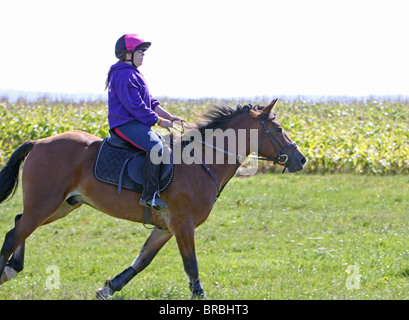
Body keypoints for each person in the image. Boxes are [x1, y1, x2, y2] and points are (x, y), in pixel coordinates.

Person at [105, 34, 180, 210]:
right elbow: (135, 106)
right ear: (128, 54)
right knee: (155, 147)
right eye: (141, 51)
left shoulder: (134, 74)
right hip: (125, 124)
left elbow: (151, 103)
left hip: (136, 123)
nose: (143, 54)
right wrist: (160, 122)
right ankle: (149, 195)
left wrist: (170, 117)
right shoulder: (123, 74)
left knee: (163, 145)